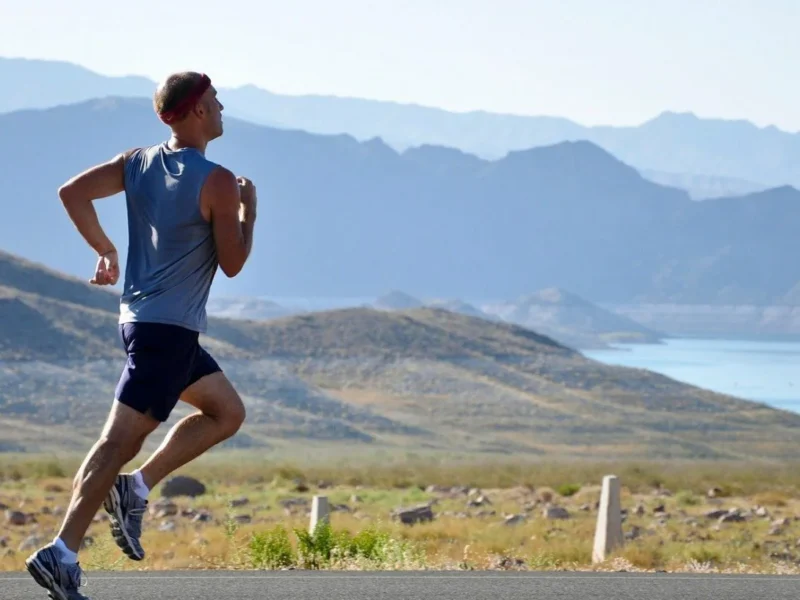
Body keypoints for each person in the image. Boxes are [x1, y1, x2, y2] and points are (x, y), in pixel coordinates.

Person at [25, 71, 256, 600]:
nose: (222, 110)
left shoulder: (137, 162)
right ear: (197, 110)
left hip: (145, 323)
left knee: (226, 412)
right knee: (116, 441)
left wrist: (104, 248)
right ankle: (61, 551)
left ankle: (137, 486)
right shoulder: (217, 180)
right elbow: (234, 262)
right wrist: (250, 212)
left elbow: (73, 192)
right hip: (167, 333)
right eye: (216, 102)